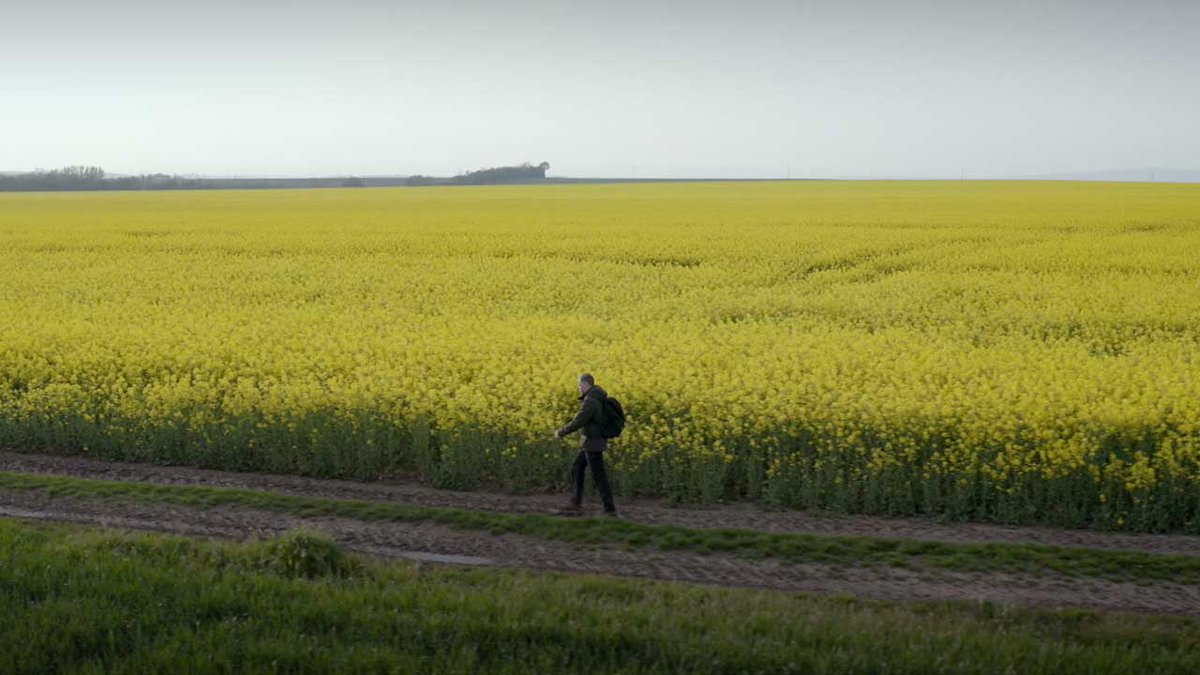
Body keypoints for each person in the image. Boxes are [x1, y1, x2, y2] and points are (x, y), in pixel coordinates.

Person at [554, 373, 617, 516]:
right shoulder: (597, 396)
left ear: (585, 384)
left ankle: (610, 509)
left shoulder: (591, 401)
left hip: (593, 444)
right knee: (577, 468)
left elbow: (578, 421)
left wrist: (561, 432)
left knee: (599, 477)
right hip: (591, 442)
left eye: (579, 384)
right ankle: (576, 502)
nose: (578, 387)